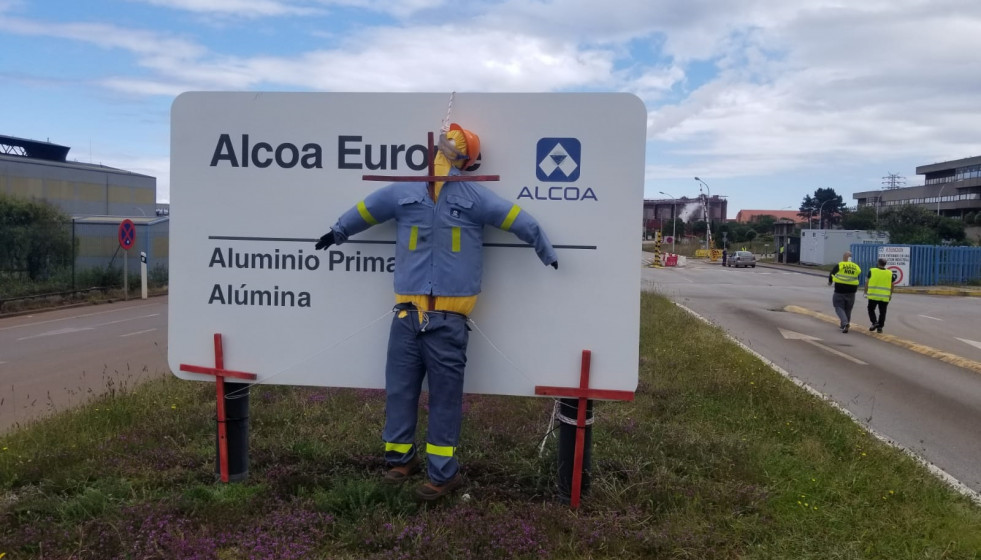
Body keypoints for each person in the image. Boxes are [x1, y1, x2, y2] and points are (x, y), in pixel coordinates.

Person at [315, 123, 558, 501]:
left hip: (448, 321)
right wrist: (338, 232)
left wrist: (546, 251)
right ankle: (401, 460)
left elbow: (519, 221)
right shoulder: (405, 193)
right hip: (407, 317)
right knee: (401, 391)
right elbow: (367, 211)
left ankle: (443, 473)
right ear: (470, 159)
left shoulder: (473, 197)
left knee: (443, 398)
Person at [828, 251, 862, 333]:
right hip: (852, 291)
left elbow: (832, 273)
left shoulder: (840, 265)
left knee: (838, 307)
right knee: (848, 309)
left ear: (844, 257)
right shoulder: (856, 267)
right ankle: (845, 326)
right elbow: (858, 276)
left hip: (840, 290)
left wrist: (830, 282)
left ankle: (844, 323)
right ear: (851, 258)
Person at [865, 258, 893, 333]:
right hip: (884, 296)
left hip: (873, 296)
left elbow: (867, 282)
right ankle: (880, 327)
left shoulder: (872, 271)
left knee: (871, 309)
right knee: (882, 312)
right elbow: (892, 284)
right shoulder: (889, 273)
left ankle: (874, 322)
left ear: (878, 263)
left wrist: (865, 292)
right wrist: (890, 294)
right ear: (885, 264)